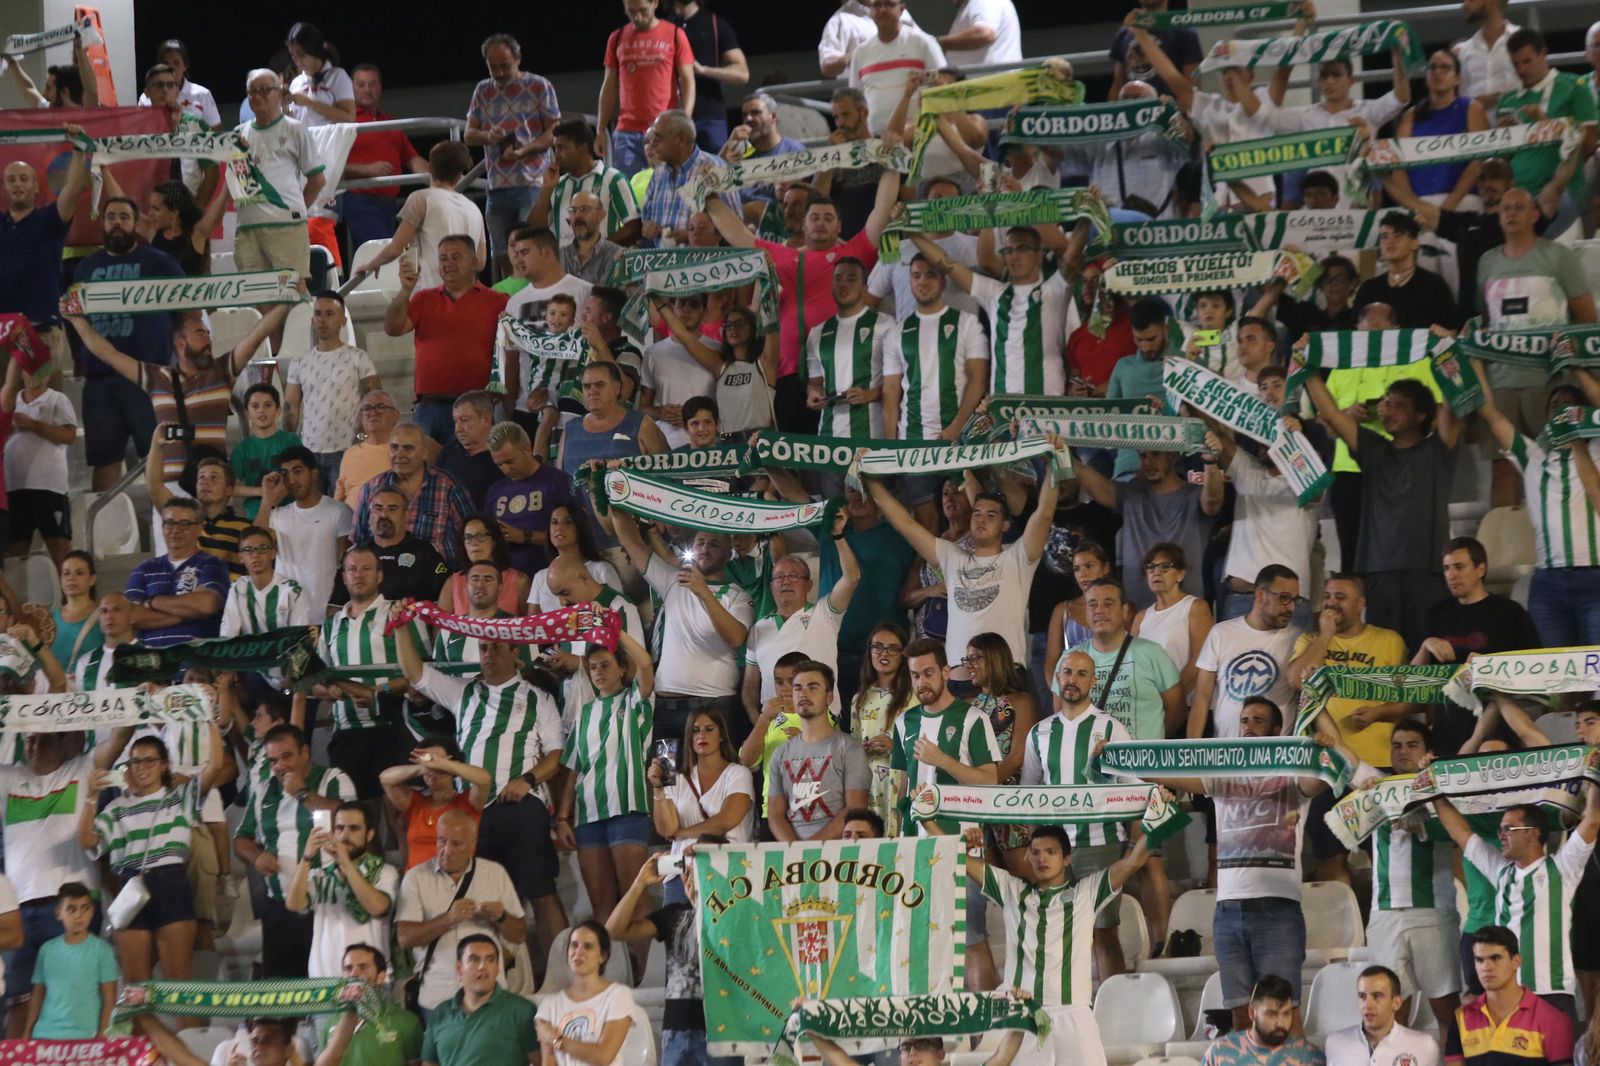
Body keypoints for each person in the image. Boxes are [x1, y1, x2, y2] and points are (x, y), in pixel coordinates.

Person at [922, 816, 1151, 1066]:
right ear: (1026, 858)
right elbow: (957, 858)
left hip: (1074, 1014)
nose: (1042, 858)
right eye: (1036, 852)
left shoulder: (1088, 891)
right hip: (1022, 1015)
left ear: (1067, 858)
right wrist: (924, 817)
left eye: (1051, 852)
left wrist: (1159, 818)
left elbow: (1132, 862)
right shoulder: (1011, 890)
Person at [395, 614, 566, 948]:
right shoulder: (464, 693)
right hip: (471, 810)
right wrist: (401, 626)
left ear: (515, 653)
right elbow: (414, 673)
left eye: (496, 648)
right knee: (480, 897)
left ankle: (561, 971)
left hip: (520, 807)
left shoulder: (537, 697)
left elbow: (556, 756)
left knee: (542, 892)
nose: (488, 654)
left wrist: (527, 780)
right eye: (483, 648)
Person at [703, 164, 901, 432]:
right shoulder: (783, 255)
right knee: (792, 456)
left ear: (839, 225)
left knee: (837, 449)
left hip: (842, 374)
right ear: (803, 225)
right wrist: (707, 193)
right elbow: (738, 235)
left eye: (828, 218)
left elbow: (882, 210)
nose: (821, 222)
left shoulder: (852, 253)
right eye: (814, 217)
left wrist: (892, 162)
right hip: (787, 374)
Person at [65, 297, 287, 508]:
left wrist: (286, 300)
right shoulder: (156, 378)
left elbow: (257, 336)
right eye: (201, 333)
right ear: (181, 344)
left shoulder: (221, 373)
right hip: (169, 489)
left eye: (208, 334)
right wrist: (76, 319)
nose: (209, 339)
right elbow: (108, 354)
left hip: (213, 487)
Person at [1304, 369, 1462, 648]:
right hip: (1378, 574)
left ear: (1421, 415)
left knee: (1426, 658)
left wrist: (1451, 358)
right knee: (1385, 661)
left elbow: (1454, 404)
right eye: (1386, 403)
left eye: (1399, 405)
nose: (1388, 411)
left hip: (1427, 574)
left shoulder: (1437, 449)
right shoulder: (1374, 449)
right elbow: (1330, 413)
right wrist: (1307, 372)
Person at [866, 456, 1059, 671]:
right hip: (960, 678)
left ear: (1005, 525)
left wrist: (1054, 462)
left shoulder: (1018, 556)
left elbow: (1044, 514)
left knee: (1011, 707)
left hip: (1004, 676)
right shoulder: (952, 557)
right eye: (976, 513)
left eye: (991, 514)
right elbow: (905, 524)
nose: (981, 519)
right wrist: (870, 480)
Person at [1432, 781, 1600, 1019]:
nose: (1500, 835)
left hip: (1552, 993)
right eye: (1500, 829)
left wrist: (1594, 770)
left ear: (1533, 833)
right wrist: (1434, 791)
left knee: (1559, 1058)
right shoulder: (1500, 871)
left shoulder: (1563, 868)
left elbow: (1592, 820)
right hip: (1508, 996)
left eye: (1508, 829)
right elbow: (1461, 833)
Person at [1474, 188, 1597, 503]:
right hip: (1501, 381)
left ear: (1534, 214)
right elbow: (1488, 323)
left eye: (1518, 207)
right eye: (1504, 208)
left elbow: (1585, 318)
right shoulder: (1487, 261)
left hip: (1551, 382)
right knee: (1503, 468)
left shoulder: (1558, 256)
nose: (1511, 213)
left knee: (1560, 462)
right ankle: (1503, 549)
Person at [1022, 649, 1136, 980]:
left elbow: (1133, 791)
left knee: (1103, 931)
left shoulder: (1112, 729)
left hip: (1101, 844)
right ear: (1057, 678)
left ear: (1093, 680)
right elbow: (1029, 794)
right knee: (1057, 934)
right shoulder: (1039, 733)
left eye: (1082, 673)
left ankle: (1113, 1007)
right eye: (1067, 672)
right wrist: (1035, 847)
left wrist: (1133, 843)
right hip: (1054, 850)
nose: (1073, 679)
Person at [555, 629, 657, 977]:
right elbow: (572, 768)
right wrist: (562, 816)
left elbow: (645, 662)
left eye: (605, 665)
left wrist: (614, 631)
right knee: (601, 906)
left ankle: (644, 977)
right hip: (588, 815)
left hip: (628, 809)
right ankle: (606, 979)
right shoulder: (584, 714)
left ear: (621, 669)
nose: (598, 672)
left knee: (636, 901)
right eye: (593, 667)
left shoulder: (635, 702)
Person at [1359, 721, 1465, 1035]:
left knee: (1446, 1007)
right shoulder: (1374, 785)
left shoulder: (1445, 786)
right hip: (1385, 915)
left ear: (1427, 751)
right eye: (1397, 745)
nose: (1403, 750)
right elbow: (1341, 752)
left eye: (1412, 744)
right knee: (1389, 1010)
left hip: (1432, 912)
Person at [611, 510, 752, 745]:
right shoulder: (672, 580)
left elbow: (736, 638)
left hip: (714, 707)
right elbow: (630, 540)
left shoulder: (738, 596)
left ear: (729, 554)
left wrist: (704, 592)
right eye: (701, 542)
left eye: (714, 544)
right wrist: (616, 496)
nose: (705, 548)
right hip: (667, 707)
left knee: (712, 778)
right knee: (664, 777)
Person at [233, 723, 355, 978]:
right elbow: (241, 840)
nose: (279, 766)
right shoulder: (264, 790)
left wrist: (302, 793)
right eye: (273, 760)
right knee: (283, 993)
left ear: (305, 752)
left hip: (326, 903)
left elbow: (348, 820)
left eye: (286, 756)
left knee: (326, 984)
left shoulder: (333, 779)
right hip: (279, 905)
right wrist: (257, 857)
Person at [906, 225, 1079, 401]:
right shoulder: (994, 293)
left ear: (1039, 254)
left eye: (1022, 248)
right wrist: (911, 231)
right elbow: (947, 263)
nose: (1014, 256)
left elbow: (1073, 255)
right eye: (1008, 250)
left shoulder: (1054, 292)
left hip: (1047, 401)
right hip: (1003, 404)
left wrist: (1088, 216)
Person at [608, 839, 736, 1066]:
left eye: (703, 865)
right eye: (691, 866)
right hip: (677, 1029)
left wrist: (705, 907)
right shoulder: (675, 914)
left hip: (726, 1032)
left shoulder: (741, 916)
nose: (693, 873)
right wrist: (639, 883)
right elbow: (614, 930)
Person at [882, 255, 988, 516]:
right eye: (916, 275)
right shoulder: (897, 332)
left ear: (943, 281)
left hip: (960, 440)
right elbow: (891, 392)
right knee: (924, 524)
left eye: (930, 274)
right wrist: (891, 447)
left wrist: (956, 426)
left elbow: (979, 379)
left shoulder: (967, 322)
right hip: (914, 442)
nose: (922, 281)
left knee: (972, 515)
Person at [1414, 538, 1542, 755]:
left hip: (1497, 723)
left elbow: (1534, 674)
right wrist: (1426, 646)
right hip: (1449, 724)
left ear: (1480, 568)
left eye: (1459, 567)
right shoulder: (1437, 614)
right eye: (1446, 568)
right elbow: (1414, 681)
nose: (1451, 575)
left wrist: (1489, 668)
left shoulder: (1510, 613)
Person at [395, 811, 529, 1016]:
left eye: (456, 844)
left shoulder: (494, 873)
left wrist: (500, 917)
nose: (447, 850)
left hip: (489, 995)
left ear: (473, 843)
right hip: (437, 996)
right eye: (441, 841)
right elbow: (405, 938)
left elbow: (519, 934)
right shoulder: (416, 878)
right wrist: (448, 919)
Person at [385, 238, 510, 445]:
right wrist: (405, 290)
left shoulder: (499, 301)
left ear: (473, 260)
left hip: (478, 405)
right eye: (443, 258)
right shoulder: (423, 299)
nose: (448, 264)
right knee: (425, 470)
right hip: (430, 406)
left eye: (455, 257)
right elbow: (392, 328)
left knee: (477, 470)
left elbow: (511, 351)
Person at [1075, 443, 1223, 613]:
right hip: (1136, 612)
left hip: (1184, 612)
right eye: (1143, 456)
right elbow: (1091, 480)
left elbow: (1213, 501)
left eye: (1156, 454)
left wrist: (1210, 462)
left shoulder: (1195, 495)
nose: (1148, 462)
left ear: (1173, 456)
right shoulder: (1130, 495)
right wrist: (1062, 452)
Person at [1288, 575, 1410, 767]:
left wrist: (1377, 713)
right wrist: (1326, 634)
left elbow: (1407, 701)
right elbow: (1296, 680)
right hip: (1324, 760)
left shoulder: (1389, 640)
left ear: (1360, 603)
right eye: (1327, 596)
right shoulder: (1310, 640)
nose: (1331, 603)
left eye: (1340, 597)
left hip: (1376, 758)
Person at [464, 32, 561, 274]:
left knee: (531, 249)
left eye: (504, 66)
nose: (499, 73)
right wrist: (488, 136)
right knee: (501, 254)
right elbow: (468, 134)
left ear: (518, 59)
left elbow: (554, 132)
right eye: (492, 67)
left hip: (531, 182)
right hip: (496, 186)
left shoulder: (539, 85)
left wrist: (525, 150)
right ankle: (510, 303)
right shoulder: (483, 90)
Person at [0, 130, 88, 396]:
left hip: (41, 335)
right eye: (11, 179)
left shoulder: (50, 220)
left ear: (36, 186)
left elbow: (73, 189)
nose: (17, 184)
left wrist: (79, 148)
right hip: (1, 337)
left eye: (23, 178)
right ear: (4, 187)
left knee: (44, 413)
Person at [744, 518, 857, 719]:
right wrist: (756, 718)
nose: (786, 581)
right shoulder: (759, 628)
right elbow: (750, 684)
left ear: (809, 585)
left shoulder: (824, 614)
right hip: (774, 726)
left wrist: (838, 536)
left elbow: (851, 577)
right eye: (779, 577)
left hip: (821, 724)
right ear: (771, 587)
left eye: (794, 576)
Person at [284, 802, 398, 979]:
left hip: (370, 981)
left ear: (370, 834)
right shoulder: (321, 874)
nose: (345, 835)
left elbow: (377, 907)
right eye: (339, 828)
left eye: (354, 829)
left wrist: (346, 864)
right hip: (324, 982)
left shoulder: (385, 872)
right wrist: (307, 858)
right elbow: (293, 903)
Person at [1498, 28, 1597, 231]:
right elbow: (1504, 160)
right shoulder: (1507, 101)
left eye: (1527, 61)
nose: (1521, 70)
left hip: (1561, 191)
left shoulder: (1574, 87)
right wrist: (1506, 138)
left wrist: (1548, 124)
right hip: (1518, 194)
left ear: (1543, 54)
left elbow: (1589, 144)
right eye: (1516, 64)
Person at [1189, 565, 1304, 739]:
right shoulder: (1221, 633)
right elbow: (1201, 699)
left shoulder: (1299, 639)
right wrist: (1191, 749)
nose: (1291, 608)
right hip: (1225, 752)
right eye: (1284, 598)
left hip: (1276, 756)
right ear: (1260, 594)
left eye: (1295, 600)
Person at [235, 67, 325, 286]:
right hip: (247, 226)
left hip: (286, 225)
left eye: (264, 90)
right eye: (252, 91)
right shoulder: (238, 133)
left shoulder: (294, 129)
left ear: (279, 93)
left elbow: (317, 179)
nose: (257, 96)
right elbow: (240, 184)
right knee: (254, 293)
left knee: (293, 290)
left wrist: (295, 211)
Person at [283, 292, 381, 485]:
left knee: (344, 506)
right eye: (318, 314)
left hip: (347, 447)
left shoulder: (359, 358)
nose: (322, 320)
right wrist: (289, 445)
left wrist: (361, 439)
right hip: (310, 450)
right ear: (312, 320)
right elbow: (290, 405)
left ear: (343, 320)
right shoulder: (300, 362)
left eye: (329, 314)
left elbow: (374, 403)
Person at [362, 142, 488, 290]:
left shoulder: (421, 199)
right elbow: (480, 262)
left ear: (429, 168)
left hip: (431, 293)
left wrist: (372, 264)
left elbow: (396, 248)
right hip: (465, 294)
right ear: (460, 175)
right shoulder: (474, 208)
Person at [1071, 577, 1182, 745]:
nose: (1099, 610)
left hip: (1142, 765)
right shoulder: (1070, 660)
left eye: (1108, 604)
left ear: (1124, 611)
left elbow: (1177, 710)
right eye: (1092, 605)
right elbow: (1063, 715)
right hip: (1089, 767)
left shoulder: (1152, 654)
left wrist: (1151, 742)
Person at [769, 661, 871, 842]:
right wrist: (793, 849)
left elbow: (856, 808)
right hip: (793, 857)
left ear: (829, 697)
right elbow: (775, 814)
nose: (804, 693)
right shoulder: (780, 753)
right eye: (798, 688)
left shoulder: (849, 748)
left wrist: (812, 847)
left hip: (838, 852)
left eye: (813, 687)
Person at [1445, 926, 1576, 1066]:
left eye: (1495, 958)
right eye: (1479, 960)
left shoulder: (1552, 1019)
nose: (1486, 967)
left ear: (1516, 961)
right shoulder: (1461, 1018)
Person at [351, 423, 474, 570]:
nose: (399, 454)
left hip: (437, 583)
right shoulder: (371, 488)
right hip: (382, 582)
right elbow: (358, 541)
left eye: (408, 448)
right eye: (394, 447)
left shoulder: (448, 487)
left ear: (423, 452)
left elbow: (472, 536)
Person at [599, 0, 697, 177]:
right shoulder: (617, 37)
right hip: (627, 132)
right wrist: (600, 129)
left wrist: (685, 120)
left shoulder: (674, 34)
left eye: (643, 10)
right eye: (631, 11)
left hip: (664, 130)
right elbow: (609, 85)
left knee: (669, 186)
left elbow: (688, 81)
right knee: (630, 192)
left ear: (654, 3)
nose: (637, 17)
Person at [342, 64, 430, 249]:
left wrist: (441, 176)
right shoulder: (345, 122)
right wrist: (367, 170)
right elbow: (330, 165)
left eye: (372, 84)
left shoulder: (390, 123)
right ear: (351, 88)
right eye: (361, 84)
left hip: (391, 205)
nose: (367, 90)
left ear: (380, 87)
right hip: (359, 201)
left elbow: (413, 160)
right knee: (382, 252)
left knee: (395, 255)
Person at [125, 498, 229, 648]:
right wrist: (190, 612)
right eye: (170, 523)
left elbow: (207, 605)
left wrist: (152, 602)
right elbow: (131, 617)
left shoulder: (212, 564)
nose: (176, 530)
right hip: (151, 662)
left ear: (200, 528)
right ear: (162, 527)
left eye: (185, 524)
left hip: (195, 662)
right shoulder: (144, 569)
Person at [1, 357, 75, 567]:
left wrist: (33, 424)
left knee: (58, 545)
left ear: (49, 374)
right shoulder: (10, 401)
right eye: (29, 370)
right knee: (15, 548)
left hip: (49, 487)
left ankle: (71, 597)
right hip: (15, 486)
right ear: (21, 373)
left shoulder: (57, 399)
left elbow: (69, 435)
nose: (34, 376)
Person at [262, 446, 353, 615]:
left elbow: (347, 564)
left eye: (297, 471)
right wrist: (267, 499)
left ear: (314, 474)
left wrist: (338, 603)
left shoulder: (339, 511)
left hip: (327, 611)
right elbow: (256, 544)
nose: (291, 480)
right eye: (285, 474)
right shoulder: (277, 516)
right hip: (285, 613)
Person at [425, 935, 541, 1064]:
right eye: (474, 960)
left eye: (490, 960)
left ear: (497, 968)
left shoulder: (522, 1010)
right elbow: (429, 1063)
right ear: (459, 968)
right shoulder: (441, 1013)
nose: (482, 966)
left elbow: (543, 1062)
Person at [20, 882, 115, 1039]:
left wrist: (103, 1033)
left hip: (86, 1036)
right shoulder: (47, 949)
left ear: (92, 911)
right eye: (71, 909)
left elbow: (109, 997)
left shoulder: (102, 950)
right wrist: (27, 1030)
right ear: (58, 913)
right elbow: (38, 993)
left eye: (85, 908)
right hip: (45, 1034)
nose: (79, 915)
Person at [535, 920, 636, 1065]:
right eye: (574, 945)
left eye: (587, 947)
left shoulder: (618, 995)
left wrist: (556, 1040)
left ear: (603, 956)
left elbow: (603, 1056)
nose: (578, 952)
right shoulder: (549, 1005)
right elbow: (549, 1062)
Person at [649, 707, 755, 844]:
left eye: (709, 729)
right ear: (689, 737)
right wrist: (658, 788)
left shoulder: (738, 773)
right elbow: (666, 830)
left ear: (721, 735)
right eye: (695, 730)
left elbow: (727, 820)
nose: (701, 735)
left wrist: (681, 833)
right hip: (685, 862)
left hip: (727, 860)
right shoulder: (675, 778)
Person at [380, 743, 490, 871]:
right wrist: (425, 767)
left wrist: (445, 765)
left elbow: (484, 779)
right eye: (428, 759)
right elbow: (385, 779)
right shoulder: (414, 802)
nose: (433, 763)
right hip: (415, 883)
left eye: (438, 759)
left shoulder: (467, 802)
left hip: (453, 882)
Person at [848, 625, 915, 836]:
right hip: (869, 783)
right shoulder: (859, 699)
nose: (884, 654)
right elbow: (853, 744)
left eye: (892, 648)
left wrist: (896, 746)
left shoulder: (914, 696)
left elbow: (925, 744)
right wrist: (862, 748)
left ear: (903, 654)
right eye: (877, 647)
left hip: (901, 781)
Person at [534, 118, 641, 248]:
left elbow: (633, 227)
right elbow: (534, 232)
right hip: (564, 266)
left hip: (603, 266)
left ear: (582, 147)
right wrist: (546, 190)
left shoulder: (613, 179)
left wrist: (599, 250)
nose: (557, 155)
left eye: (561, 148)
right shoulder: (557, 184)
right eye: (555, 148)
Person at [315, 943, 425, 1066]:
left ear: (380, 977)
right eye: (348, 968)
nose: (353, 974)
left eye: (363, 967)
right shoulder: (330, 1022)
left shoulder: (407, 1022)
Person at [639, 110, 739, 245]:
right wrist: (646, 228)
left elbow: (736, 228)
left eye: (658, 137)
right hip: (662, 263)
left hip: (704, 263)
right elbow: (645, 219)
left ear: (681, 140)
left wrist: (691, 235)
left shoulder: (714, 169)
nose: (652, 143)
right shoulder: (659, 173)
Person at [847, 0, 945, 135]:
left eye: (888, 4)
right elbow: (856, 100)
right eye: (876, 5)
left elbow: (944, 83)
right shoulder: (861, 52)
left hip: (919, 134)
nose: (882, 10)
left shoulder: (923, 42)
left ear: (902, 9)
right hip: (877, 140)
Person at [1131, 543, 1212, 705]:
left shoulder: (1195, 607)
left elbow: (1200, 660)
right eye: (1151, 567)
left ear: (1180, 574)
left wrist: (1171, 700)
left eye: (1165, 567)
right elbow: (1131, 663)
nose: (1156, 572)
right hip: (1150, 706)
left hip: (1187, 704)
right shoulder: (1141, 617)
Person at [666, 0, 748, 150]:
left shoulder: (716, 23)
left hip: (710, 117)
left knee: (715, 170)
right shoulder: (662, 27)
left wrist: (704, 70)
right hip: (671, 117)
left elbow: (742, 74)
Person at [1325, 966, 1440, 1066]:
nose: (1367, 1005)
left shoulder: (1424, 1046)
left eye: (1377, 996)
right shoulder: (1335, 1043)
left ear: (1396, 1003)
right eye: (1362, 996)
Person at [1201, 974, 1326, 1066]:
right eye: (1271, 1014)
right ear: (1252, 1013)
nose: (1280, 1023)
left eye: (1286, 1014)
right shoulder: (1219, 1052)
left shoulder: (1309, 1056)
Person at [719, 93, 805, 215]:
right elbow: (707, 183)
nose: (748, 119)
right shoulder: (738, 151)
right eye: (744, 115)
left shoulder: (793, 150)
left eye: (755, 113)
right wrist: (729, 142)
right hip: (737, 222)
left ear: (773, 117)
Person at [219, 525, 312, 636]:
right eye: (248, 550)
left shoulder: (293, 591)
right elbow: (228, 635)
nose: (255, 555)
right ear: (241, 558)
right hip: (248, 653)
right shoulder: (237, 589)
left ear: (273, 553)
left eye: (262, 548)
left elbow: (297, 638)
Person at [337, 390, 405, 505]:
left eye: (380, 406)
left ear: (395, 415)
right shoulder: (350, 454)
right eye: (367, 408)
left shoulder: (405, 451)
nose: (372, 412)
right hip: (351, 520)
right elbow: (339, 498)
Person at [50, 551, 102, 673]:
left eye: (79, 573)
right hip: (57, 689)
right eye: (66, 573)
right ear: (60, 580)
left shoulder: (105, 616)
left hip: (92, 688)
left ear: (92, 579)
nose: (71, 578)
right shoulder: (49, 620)